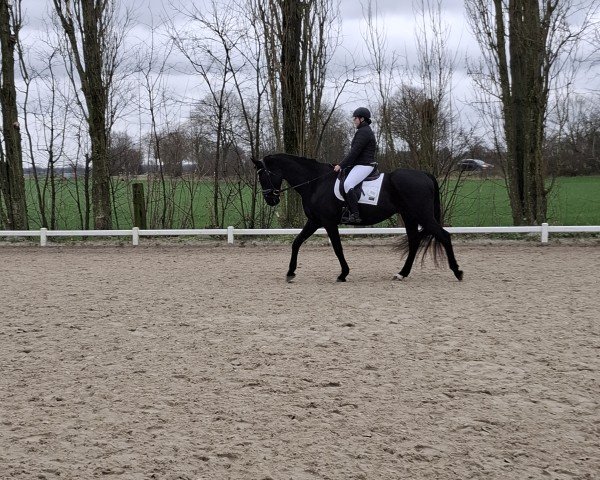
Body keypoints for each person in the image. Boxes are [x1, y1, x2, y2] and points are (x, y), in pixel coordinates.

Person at [334, 107, 377, 223]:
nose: (354, 120)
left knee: (348, 184)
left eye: (355, 118)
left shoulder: (364, 132)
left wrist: (341, 165)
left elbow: (354, 153)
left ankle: (355, 214)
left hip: (365, 165)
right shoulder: (363, 131)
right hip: (360, 164)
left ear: (362, 119)